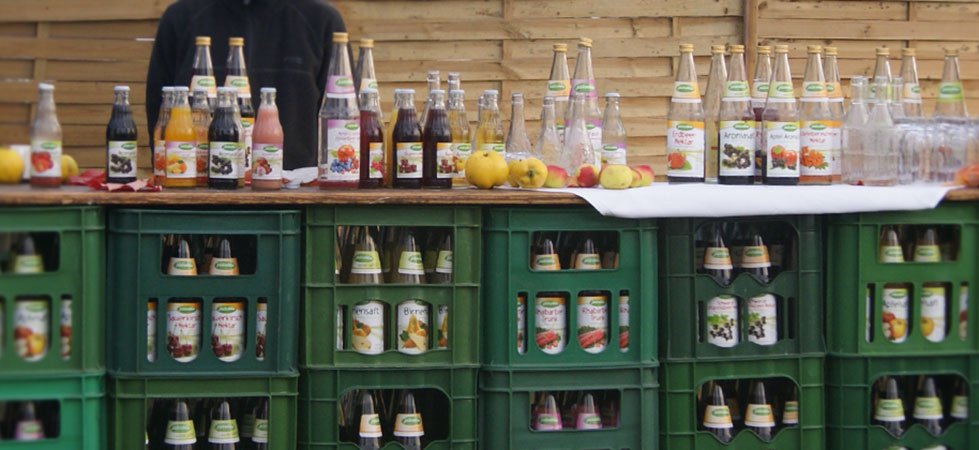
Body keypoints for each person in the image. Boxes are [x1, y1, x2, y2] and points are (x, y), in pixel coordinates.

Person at [146, 0, 347, 170]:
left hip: (298, 193)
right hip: (198, 191)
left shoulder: (321, 21)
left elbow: (343, 118)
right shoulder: (182, 18)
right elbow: (159, 109)